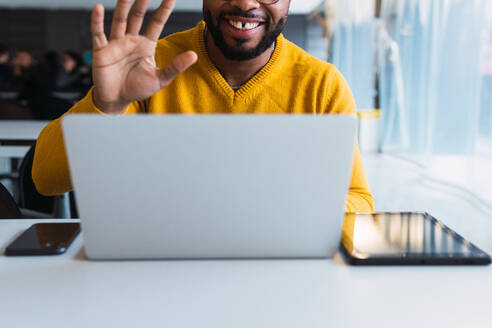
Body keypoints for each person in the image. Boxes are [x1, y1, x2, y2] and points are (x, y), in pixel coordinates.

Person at [32, 0, 374, 212]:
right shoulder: (150, 66)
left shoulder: (322, 84)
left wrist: (276, 210)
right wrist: (106, 105)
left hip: (278, 274)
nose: (244, 3)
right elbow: (45, 179)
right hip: (159, 268)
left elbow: (358, 201)